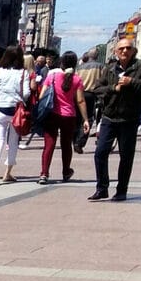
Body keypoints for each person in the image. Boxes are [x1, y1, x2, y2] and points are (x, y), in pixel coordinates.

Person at [89, 38, 141, 202]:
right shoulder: (110, 68)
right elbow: (97, 88)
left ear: (133, 51)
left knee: (126, 156)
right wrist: (114, 88)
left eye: (128, 48)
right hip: (109, 117)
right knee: (100, 152)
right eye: (121, 49)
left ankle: (121, 190)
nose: (124, 51)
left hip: (129, 118)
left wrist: (132, 82)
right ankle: (102, 188)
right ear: (116, 51)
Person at [37, 51, 87, 185]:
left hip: (52, 114)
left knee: (49, 144)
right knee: (66, 145)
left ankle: (44, 173)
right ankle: (66, 172)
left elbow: (42, 96)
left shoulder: (52, 76)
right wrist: (86, 119)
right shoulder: (76, 79)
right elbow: (80, 101)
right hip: (69, 116)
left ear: (62, 63)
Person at [0, 45, 30, 185]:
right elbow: (27, 93)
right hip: (16, 111)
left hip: (0, 109)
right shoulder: (23, 73)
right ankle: (7, 173)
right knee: (12, 143)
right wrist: (20, 97)